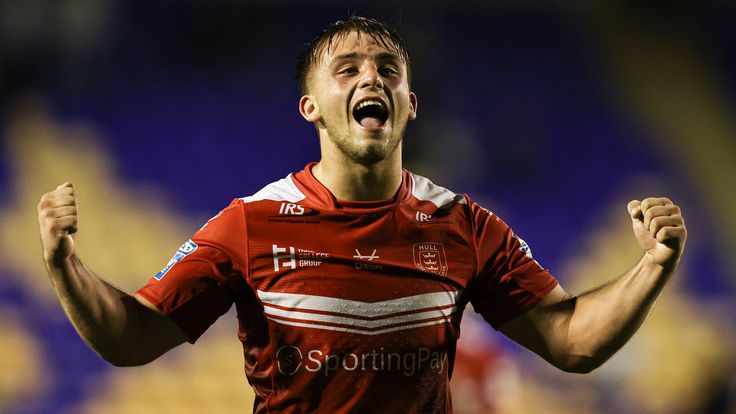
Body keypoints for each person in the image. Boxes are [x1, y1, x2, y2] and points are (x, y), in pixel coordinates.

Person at [37, 16, 687, 413]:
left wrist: (652, 267)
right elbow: (132, 338)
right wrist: (66, 266)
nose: (369, 78)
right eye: (345, 69)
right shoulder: (249, 224)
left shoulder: (465, 227)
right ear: (310, 107)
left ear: (409, 105)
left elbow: (572, 341)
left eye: (387, 69)